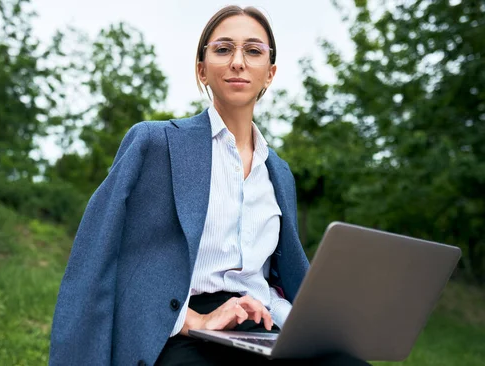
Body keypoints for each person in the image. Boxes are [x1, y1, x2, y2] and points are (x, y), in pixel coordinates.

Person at [49, 5, 371, 366]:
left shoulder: (278, 172)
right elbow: (100, 260)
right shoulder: (154, 143)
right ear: (202, 70)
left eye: (253, 51)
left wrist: (311, 327)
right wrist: (195, 320)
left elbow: (274, 280)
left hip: (261, 324)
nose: (238, 61)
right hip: (182, 328)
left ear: (270, 73)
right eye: (222, 49)